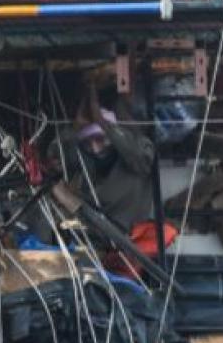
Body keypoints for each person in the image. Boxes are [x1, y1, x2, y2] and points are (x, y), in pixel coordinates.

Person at [49, 81, 155, 232]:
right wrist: (75, 129)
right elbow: (53, 158)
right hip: (91, 237)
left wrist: (102, 122)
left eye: (100, 139)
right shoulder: (86, 160)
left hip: (127, 241)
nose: (95, 149)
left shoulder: (136, 159)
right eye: (88, 142)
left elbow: (141, 157)